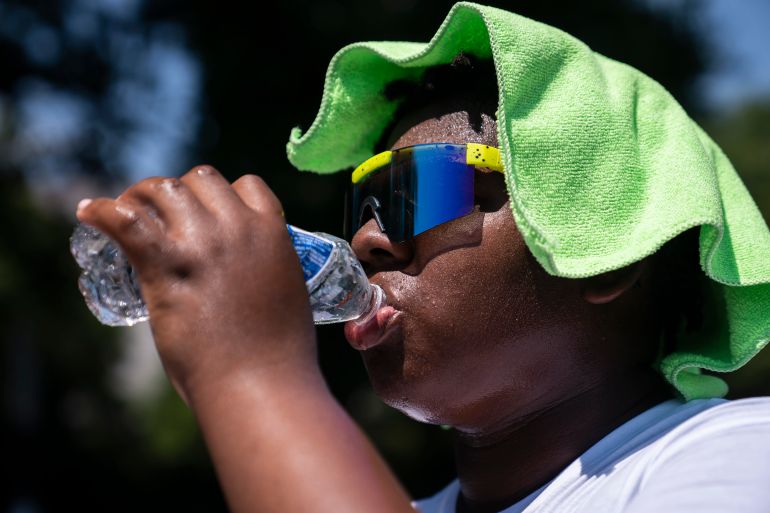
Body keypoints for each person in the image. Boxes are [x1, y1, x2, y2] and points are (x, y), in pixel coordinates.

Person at [75, 3, 770, 513]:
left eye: (425, 189)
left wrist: (249, 373)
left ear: (603, 252)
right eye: (366, 203)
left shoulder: (735, 454)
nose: (368, 240)